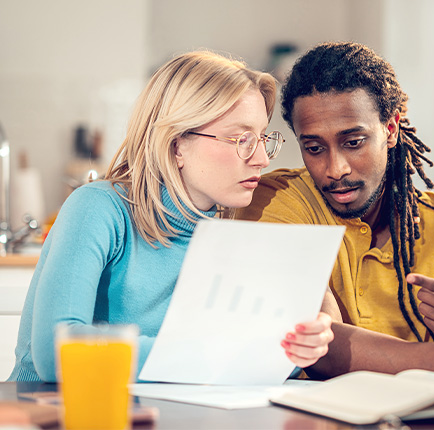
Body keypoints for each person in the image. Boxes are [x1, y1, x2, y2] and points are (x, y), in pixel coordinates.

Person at [236, 42, 434, 386]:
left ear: (391, 129)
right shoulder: (275, 201)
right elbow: (320, 345)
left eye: (353, 142)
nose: (335, 168)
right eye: (314, 148)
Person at [8, 51, 333, 382]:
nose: (262, 158)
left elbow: (245, 357)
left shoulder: (225, 237)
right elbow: (56, 351)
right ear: (177, 145)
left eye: (262, 138)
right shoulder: (99, 208)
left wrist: (299, 347)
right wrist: (211, 352)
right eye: (241, 139)